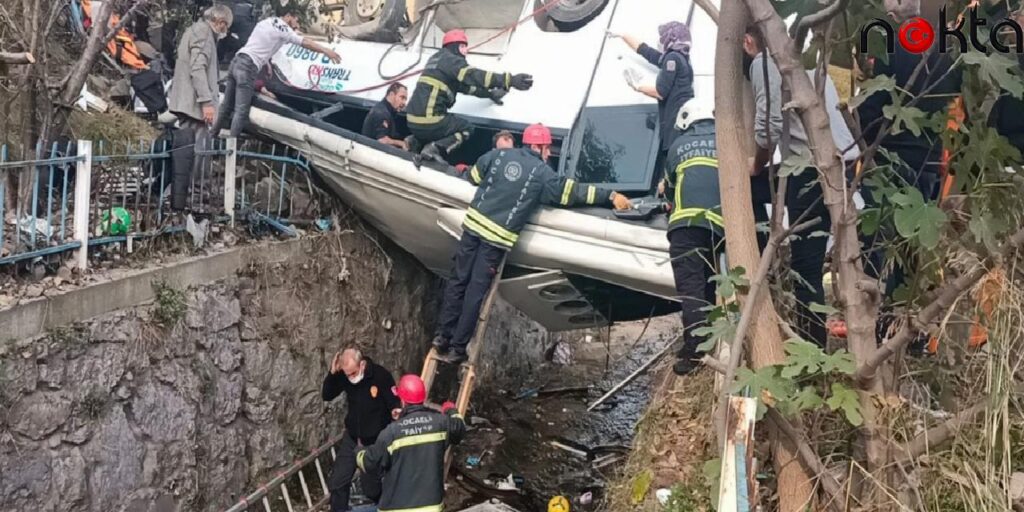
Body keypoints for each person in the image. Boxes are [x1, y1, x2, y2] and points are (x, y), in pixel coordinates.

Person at [432, 123, 633, 363]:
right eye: (548, 148)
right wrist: (609, 196)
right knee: (475, 293)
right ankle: (457, 349)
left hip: (472, 229)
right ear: (538, 146)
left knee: (457, 282)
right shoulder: (542, 173)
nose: (549, 153)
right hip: (495, 240)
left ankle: (441, 337)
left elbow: (474, 176)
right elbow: (572, 193)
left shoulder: (497, 156)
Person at [744, 25, 830, 348]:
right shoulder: (805, 62)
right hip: (828, 165)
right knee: (810, 262)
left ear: (748, 41)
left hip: (806, 170)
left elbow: (768, 128)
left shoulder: (764, 62)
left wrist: (755, 163)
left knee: (806, 267)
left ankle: (814, 350)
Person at [406, 29, 534, 164]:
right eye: (463, 46)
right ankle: (434, 149)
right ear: (455, 47)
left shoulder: (437, 60)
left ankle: (414, 141)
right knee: (466, 128)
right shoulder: (451, 60)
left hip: (413, 121)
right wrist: (509, 80)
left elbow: (467, 88)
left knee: (438, 127)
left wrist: (489, 94)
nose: (466, 51)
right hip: (429, 119)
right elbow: (473, 75)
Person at [212, 5, 341, 139]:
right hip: (248, 67)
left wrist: (266, 62)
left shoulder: (265, 22)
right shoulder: (283, 28)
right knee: (241, 110)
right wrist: (326, 51)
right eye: (296, 21)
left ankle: (212, 135)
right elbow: (304, 42)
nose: (296, 26)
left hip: (237, 61)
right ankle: (231, 148)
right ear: (289, 16)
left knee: (226, 106)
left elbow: (259, 44)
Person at [662, 98, 722, 375]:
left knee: (692, 289)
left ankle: (693, 355)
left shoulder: (677, 147)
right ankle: (706, 341)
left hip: (686, 226)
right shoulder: (725, 141)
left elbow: (670, 190)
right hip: (718, 228)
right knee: (709, 286)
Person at [356, 375, 465, 512]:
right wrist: (450, 409)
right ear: (423, 398)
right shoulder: (441, 423)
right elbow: (459, 428)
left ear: (402, 400)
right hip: (431, 507)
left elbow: (370, 463)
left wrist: (359, 452)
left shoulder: (391, 433)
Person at [166, 4, 233, 211]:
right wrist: (206, 102)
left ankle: (185, 194)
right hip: (195, 105)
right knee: (198, 151)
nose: (226, 31)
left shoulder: (194, 30)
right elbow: (197, 68)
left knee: (188, 150)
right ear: (220, 23)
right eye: (226, 27)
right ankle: (194, 196)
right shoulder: (204, 33)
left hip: (188, 103)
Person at [322, 348, 400, 512]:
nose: (351, 378)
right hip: (352, 438)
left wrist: (395, 411)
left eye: (353, 373)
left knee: (371, 489)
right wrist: (333, 374)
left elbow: (394, 402)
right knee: (337, 482)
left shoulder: (380, 376)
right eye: (347, 374)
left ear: (362, 364)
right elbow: (327, 395)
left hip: (374, 442)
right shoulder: (345, 376)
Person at [610, 22, 695, 165]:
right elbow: (646, 51)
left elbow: (660, 92)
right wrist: (622, 35)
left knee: (672, 163)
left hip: (675, 124)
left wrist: (638, 86)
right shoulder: (681, 58)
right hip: (682, 124)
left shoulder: (673, 58)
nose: (660, 41)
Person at [361, 83, 409, 150]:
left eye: (405, 99)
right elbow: (382, 140)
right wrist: (401, 143)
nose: (404, 103)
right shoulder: (381, 113)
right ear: (391, 95)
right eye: (402, 97)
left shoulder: (386, 111)